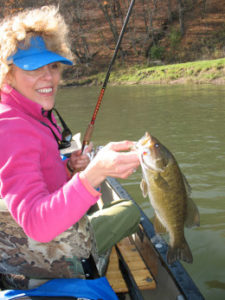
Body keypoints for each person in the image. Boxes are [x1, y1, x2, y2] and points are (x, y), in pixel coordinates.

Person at [0, 5, 140, 289]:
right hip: (59, 255)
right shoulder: (12, 128)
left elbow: (28, 174)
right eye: (33, 68)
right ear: (8, 73)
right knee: (129, 210)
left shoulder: (22, 115)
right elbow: (37, 225)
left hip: (18, 259)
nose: (49, 78)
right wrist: (93, 174)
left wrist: (68, 169)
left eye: (52, 66)